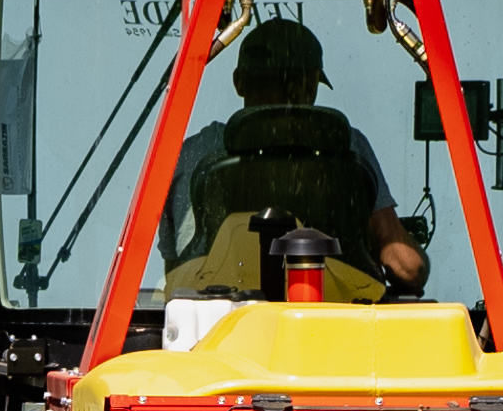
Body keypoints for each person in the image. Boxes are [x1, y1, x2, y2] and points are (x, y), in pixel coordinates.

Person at [162, 15, 431, 296]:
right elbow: (406, 266)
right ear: (310, 85)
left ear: (239, 82)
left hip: (213, 326)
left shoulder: (190, 154)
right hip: (335, 328)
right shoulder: (346, 147)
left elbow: (177, 276)